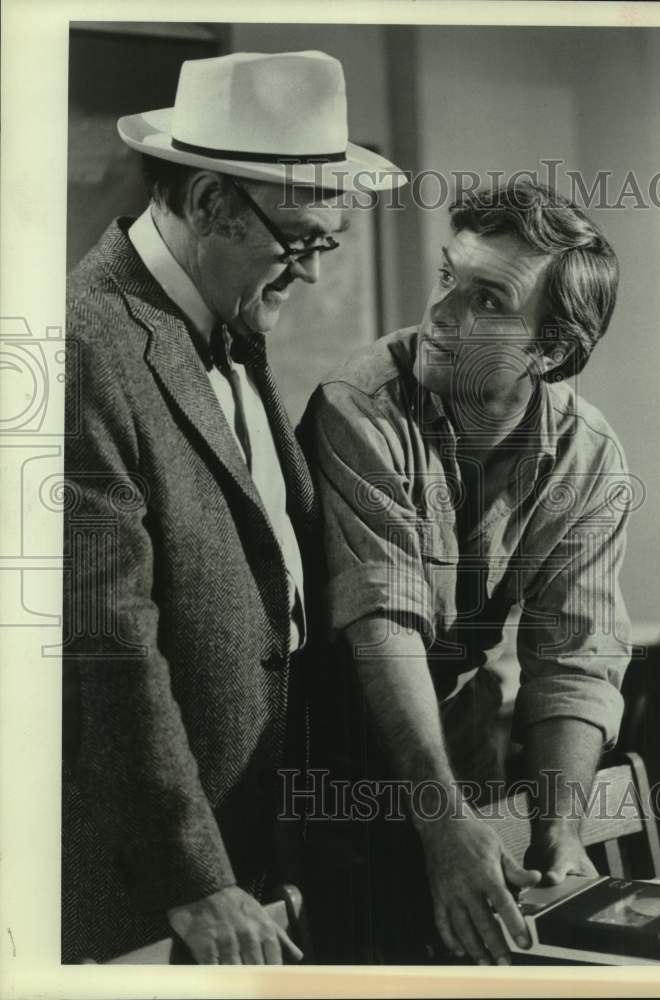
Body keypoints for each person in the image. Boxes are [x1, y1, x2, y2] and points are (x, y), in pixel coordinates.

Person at [62, 49, 405, 965]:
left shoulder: (229, 320)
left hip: (259, 854)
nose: (312, 273)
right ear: (211, 202)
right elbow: (107, 650)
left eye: (326, 243)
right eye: (301, 242)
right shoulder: (86, 347)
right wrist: (195, 878)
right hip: (152, 893)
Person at [301, 178, 633, 964]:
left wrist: (561, 830)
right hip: (325, 761)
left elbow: (576, 658)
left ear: (550, 352)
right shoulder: (359, 407)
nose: (442, 315)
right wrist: (442, 822)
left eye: (489, 301)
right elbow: (385, 628)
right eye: (449, 278)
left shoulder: (590, 457)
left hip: (461, 739)